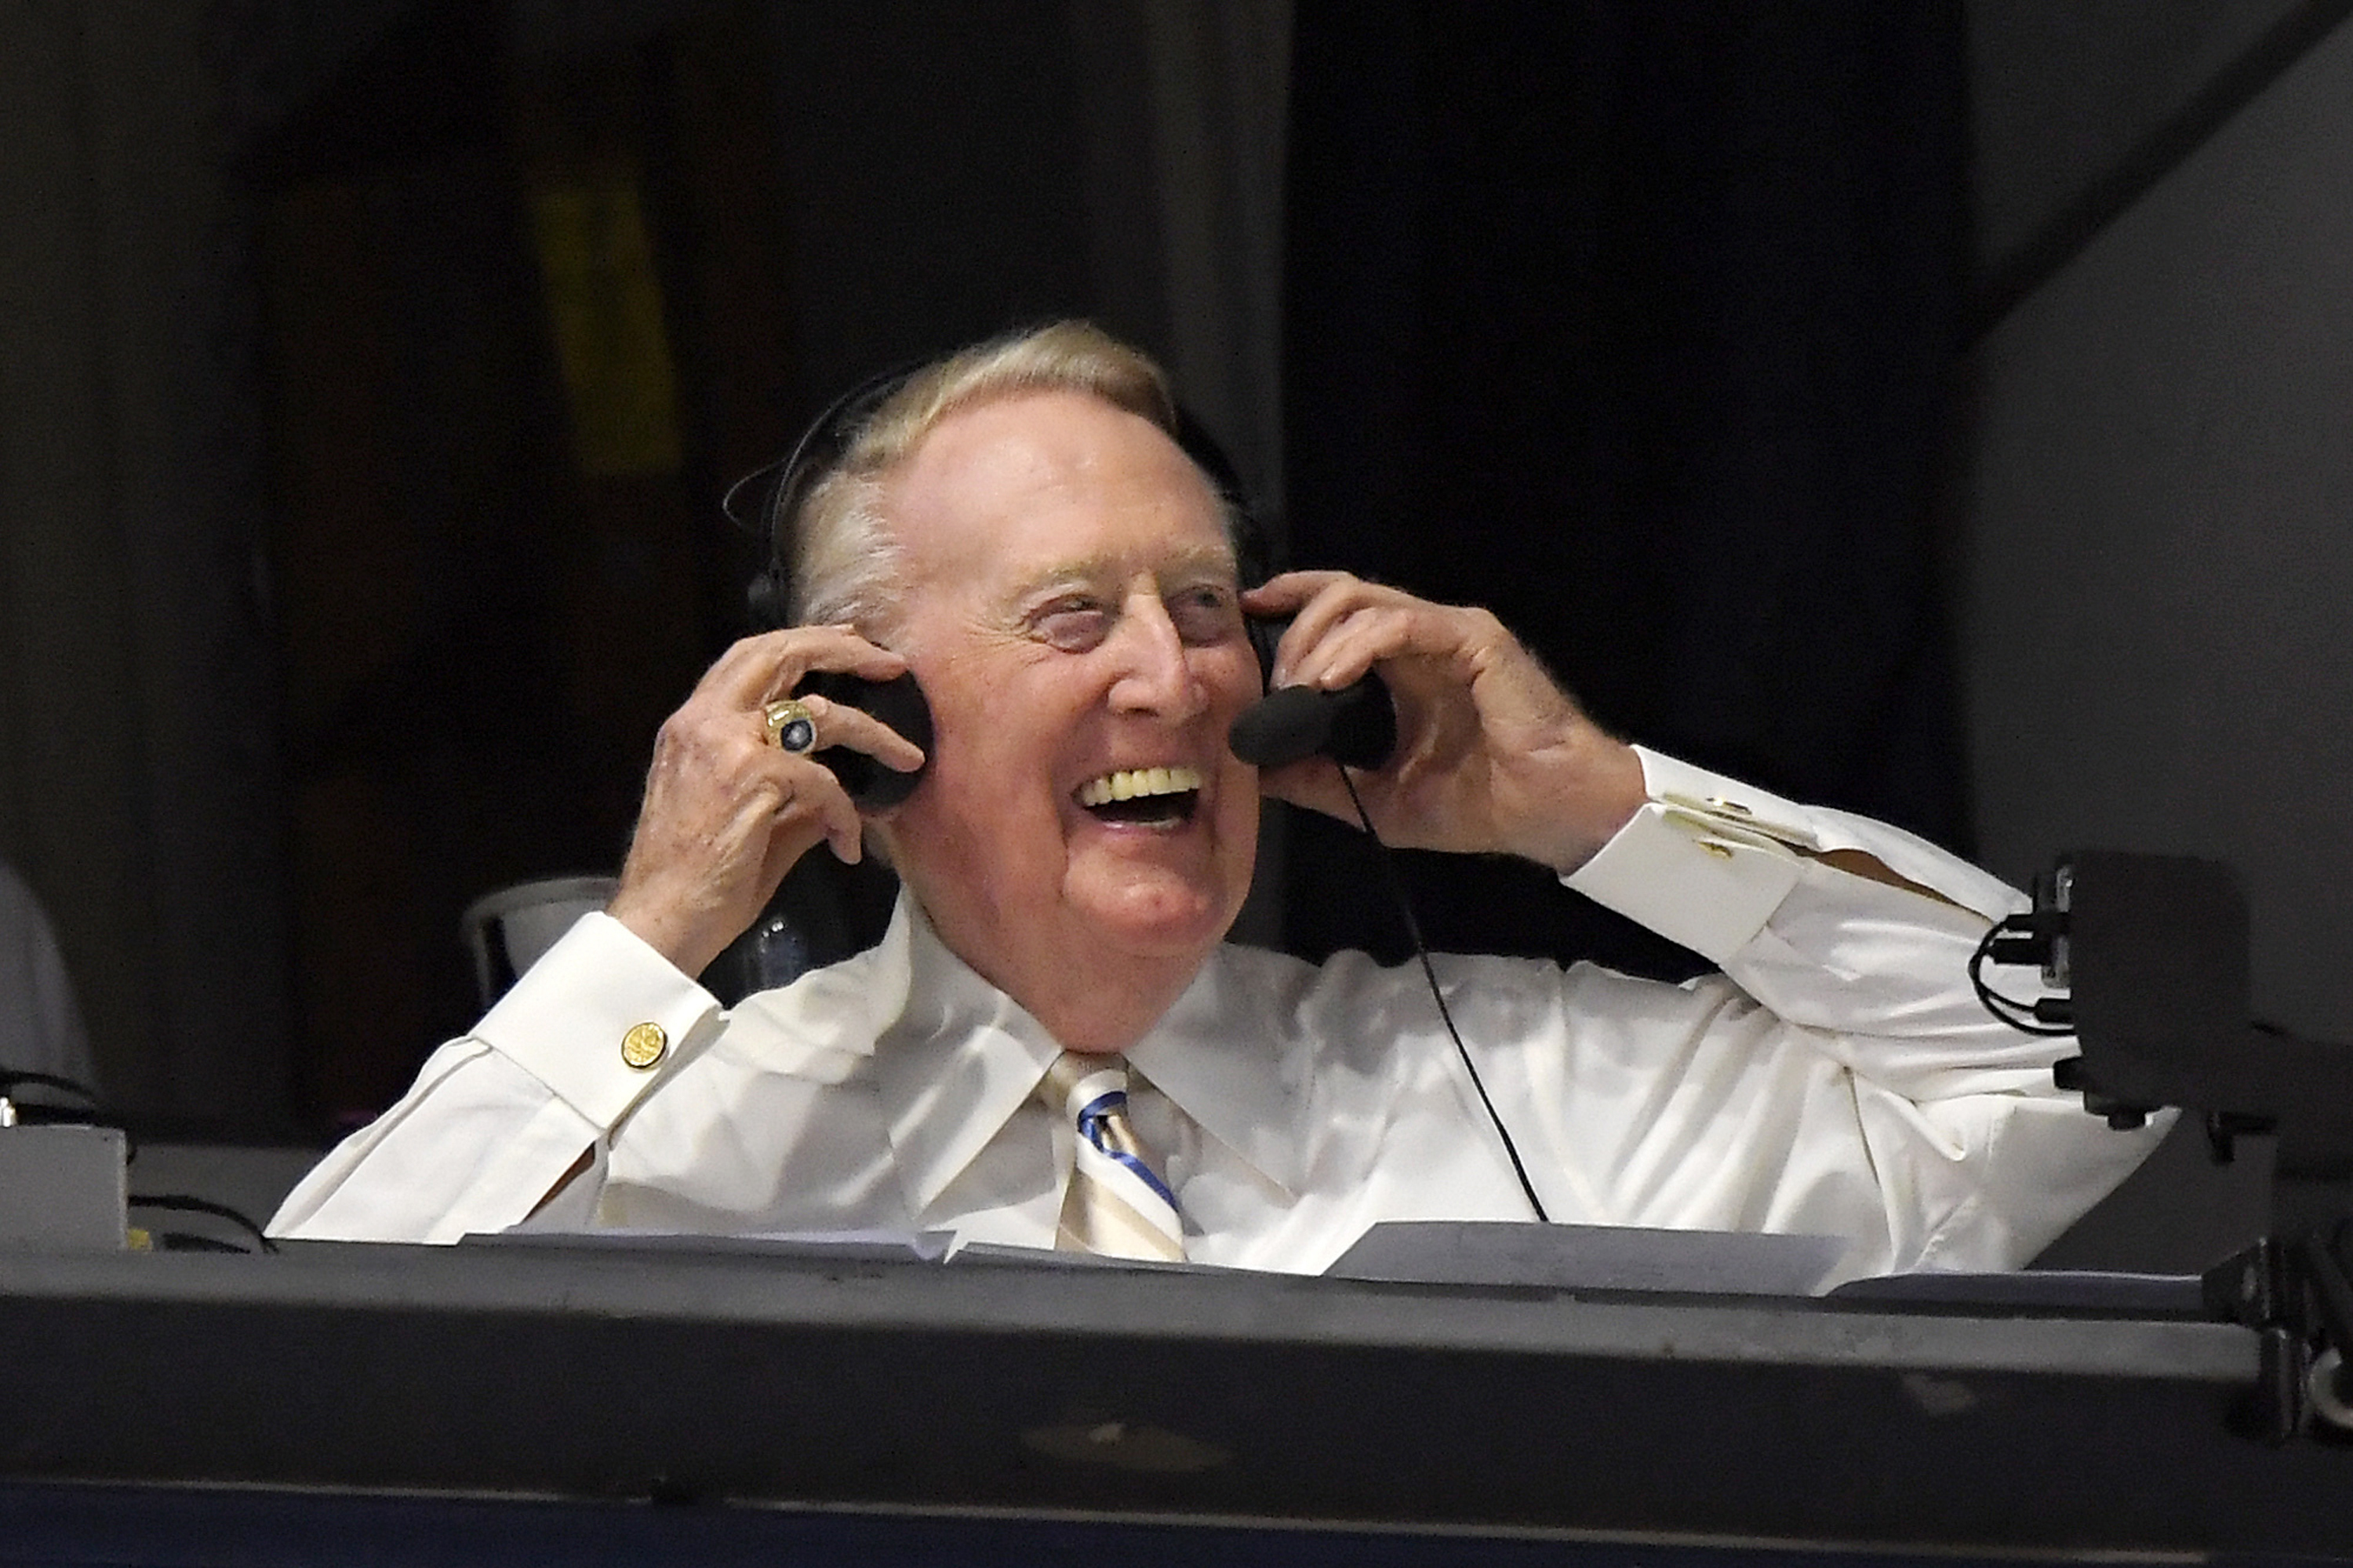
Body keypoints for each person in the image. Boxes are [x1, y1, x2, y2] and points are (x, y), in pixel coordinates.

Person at [271, 322, 2162, 1279]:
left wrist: (1601, 806)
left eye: (1200, 607)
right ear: (865, 706)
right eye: (1071, 616)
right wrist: (658, 929)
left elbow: (2087, 1062)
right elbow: (280, 1376)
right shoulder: (701, 1143)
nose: (1172, 676)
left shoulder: (1520, 1081)